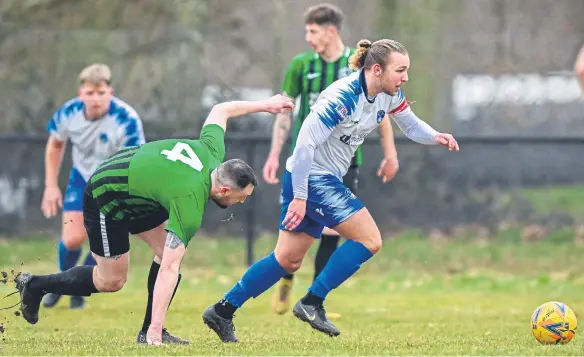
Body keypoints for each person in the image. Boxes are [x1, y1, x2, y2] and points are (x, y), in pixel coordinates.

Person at [202, 38, 459, 342]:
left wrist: (436, 136)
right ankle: (312, 302)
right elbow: (303, 147)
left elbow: (412, 126)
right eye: (400, 70)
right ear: (376, 69)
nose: (405, 78)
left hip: (314, 179)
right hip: (311, 177)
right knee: (369, 239)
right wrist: (300, 196)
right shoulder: (342, 98)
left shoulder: (388, 94)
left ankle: (222, 310)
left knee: (287, 260)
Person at [15, 95, 295, 346]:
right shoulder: (189, 202)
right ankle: (36, 285)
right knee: (111, 280)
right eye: (240, 196)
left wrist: (266, 105)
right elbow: (170, 270)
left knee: (164, 253)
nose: (241, 202)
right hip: (107, 195)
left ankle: (148, 329)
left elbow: (221, 110)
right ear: (224, 189)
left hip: (138, 191)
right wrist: (156, 334)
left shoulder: (211, 152)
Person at [263, 3, 399, 316]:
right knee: (299, 229)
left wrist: (391, 153)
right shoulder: (301, 64)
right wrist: (274, 153)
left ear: (331, 31)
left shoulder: (362, 64)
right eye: (307, 31)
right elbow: (284, 113)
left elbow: (381, 111)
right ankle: (287, 276)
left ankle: (315, 299)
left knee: (334, 230)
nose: (308, 38)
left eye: (313, 31)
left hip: (346, 160)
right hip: (308, 160)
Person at [41, 63, 145, 310]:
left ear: (110, 91)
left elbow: (136, 161)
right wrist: (50, 186)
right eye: (90, 93)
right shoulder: (69, 113)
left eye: (101, 93)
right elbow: (55, 145)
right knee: (73, 238)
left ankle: (78, 288)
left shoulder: (127, 119)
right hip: (81, 178)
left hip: (112, 183)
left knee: (101, 246)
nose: (95, 99)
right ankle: (62, 281)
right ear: (81, 94)